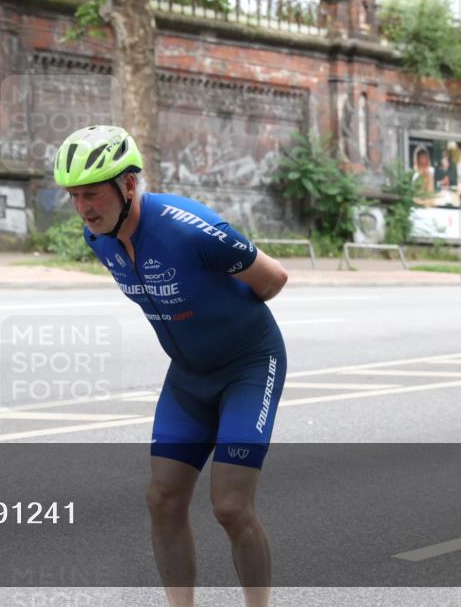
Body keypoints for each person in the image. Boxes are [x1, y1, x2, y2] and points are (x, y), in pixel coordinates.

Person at [52, 125, 288, 607]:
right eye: (74, 196)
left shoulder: (187, 226)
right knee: (163, 499)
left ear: (128, 185)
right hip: (188, 377)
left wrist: (228, 322)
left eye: (91, 193)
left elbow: (273, 278)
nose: (82, 207)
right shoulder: (99, 238)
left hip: (247, 366)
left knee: (230, 506)